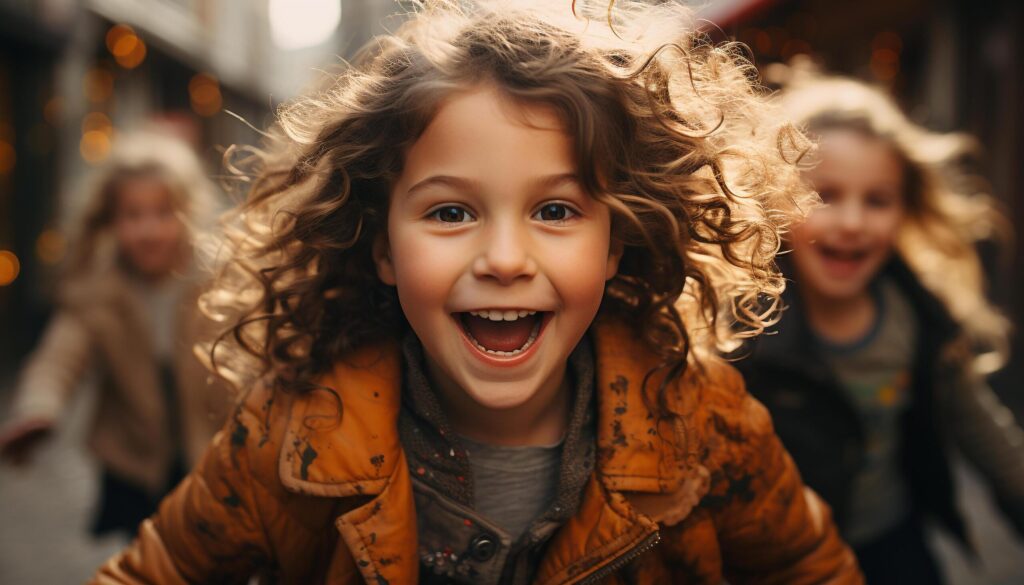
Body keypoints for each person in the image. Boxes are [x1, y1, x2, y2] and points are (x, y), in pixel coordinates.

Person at [93, 2, 863, 583]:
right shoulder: (293, 432)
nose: (503, 258)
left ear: (614, 242)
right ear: (383, 245)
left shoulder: (704, 425)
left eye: (555, 210)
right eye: (451, 212)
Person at [734, 69, 1024, 584]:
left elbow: (982, 430)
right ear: (775, 200)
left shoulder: (921, 320)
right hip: (781, 560)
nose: (851, 221)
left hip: (892, 545)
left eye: (877, 200)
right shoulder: (742, 327)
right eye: (824, 195)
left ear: (905, 211)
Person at [0, 131, 229, 537]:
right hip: (134, 465)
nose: (148, 229)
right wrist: (38, 409)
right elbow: (58, 359)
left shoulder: (215, 278)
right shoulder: (96, 289)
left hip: (209, 451)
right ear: (110, 219)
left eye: (162, 213)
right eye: (133, 215)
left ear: (187, 213)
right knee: (145, 559)